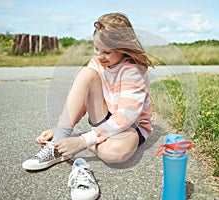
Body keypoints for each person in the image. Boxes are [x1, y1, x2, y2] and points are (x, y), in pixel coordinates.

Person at [22, 12, 153, 199]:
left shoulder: (132, 72)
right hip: (105, 118)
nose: (100, 56)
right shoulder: (97, 62)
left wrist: (83, 141)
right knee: (86, 74)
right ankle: (57, 145)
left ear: (124, 48)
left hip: (129, 128)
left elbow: (125, 118)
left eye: (107, 51)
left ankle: (78, 141)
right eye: (96, 48)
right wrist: (60, 128)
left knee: (115, 154)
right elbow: (84, 98)